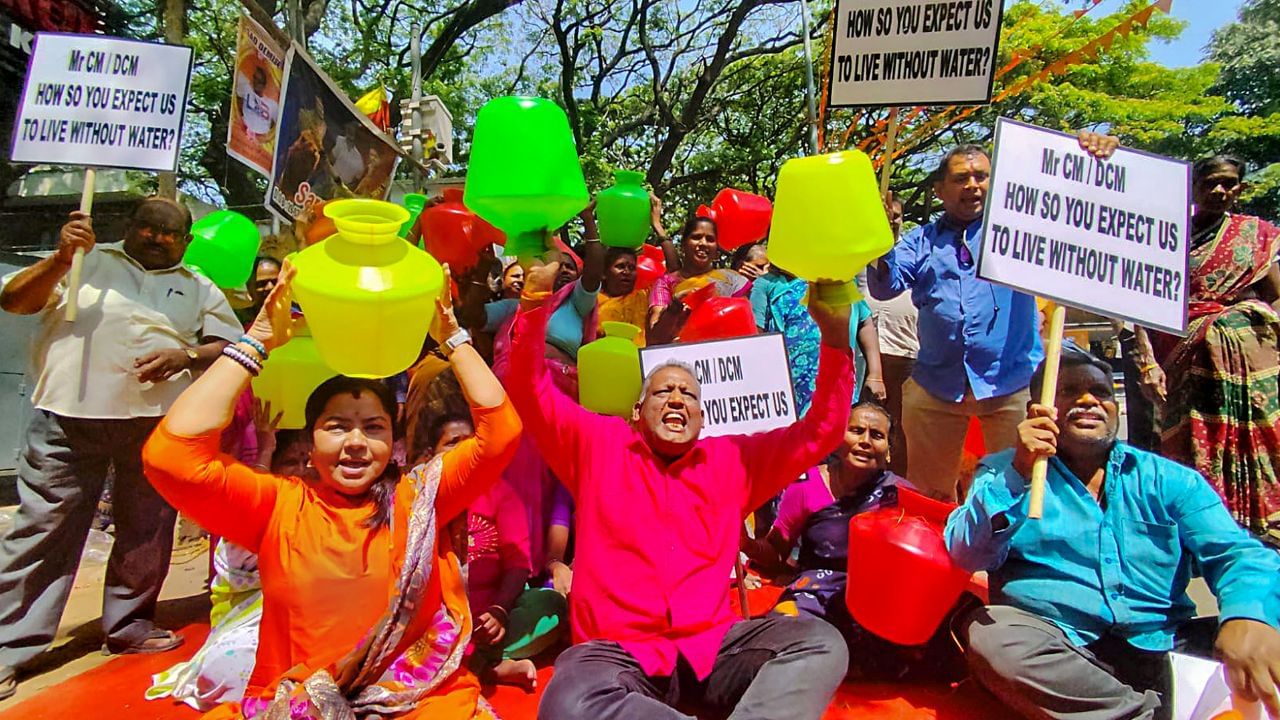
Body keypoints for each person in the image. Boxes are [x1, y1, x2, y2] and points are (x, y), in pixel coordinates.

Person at [141, 263, 523, 718]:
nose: (357, 443)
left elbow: (501, 432)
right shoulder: (278, 504)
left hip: (417, 703)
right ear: (309, 443)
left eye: (373, 428)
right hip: (298, 706)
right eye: (337, 427)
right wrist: (255, 341)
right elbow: (171, 457)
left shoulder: (420, 498)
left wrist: (453, 336)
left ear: (393, 443)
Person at [511, 258, 853, 719]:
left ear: (703, 416)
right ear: (636, 410)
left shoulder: (733, 459)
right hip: (616, 654)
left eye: (689, 394)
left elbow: (821, 432)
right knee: (568, 703)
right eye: (663, 392)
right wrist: (533, 307)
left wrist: (835, 340)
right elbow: (530, 390)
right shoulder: (596, 444)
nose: (676, 399)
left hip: (711, 651)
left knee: (819, 643)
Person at [946, 347, 1280, 719]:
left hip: (1166, 646)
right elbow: (965, 553)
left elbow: (1239, 555)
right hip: (1063, 656)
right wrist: (1019, 473)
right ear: (1037, 411)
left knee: (1266, 626)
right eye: (1069, 390)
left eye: (1101, 392)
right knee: (992, 636)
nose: (1089, 400)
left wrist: (1247, 617)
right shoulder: (1001, 473)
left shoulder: (1169, 479)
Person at [0, 198, 242, 700]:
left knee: (146, 526)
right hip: (67, 418)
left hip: (154, 426)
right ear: (129, 227)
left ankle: (129, 624)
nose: (155, 237)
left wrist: (186, 354)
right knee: (44, 527)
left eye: (168, 232)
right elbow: (15, 302)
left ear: (187, 241)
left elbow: (230, 344)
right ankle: (10, 646)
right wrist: (60, 261)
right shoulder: (87, 260)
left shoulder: (199, 287)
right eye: (146, 227)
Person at [867, 133, 1118, 500]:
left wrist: (1092, 159)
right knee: (927, 494)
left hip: (1011, 382)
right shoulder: (920, 240)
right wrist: (880, 239)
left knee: (1028, 486)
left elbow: (1078, 221)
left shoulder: (1020, 232)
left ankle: (1017, 554)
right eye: (960, 178)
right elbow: (885, 287)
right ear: (939, 190)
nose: (972, 185)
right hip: (936, 386)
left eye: (981, 176)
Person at [745, 403, 966, 680]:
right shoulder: (807, 484)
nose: (864, 441)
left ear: (889, 450)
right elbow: (776, 552)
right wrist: (744, 543)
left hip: (873, 597)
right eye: (856, 430)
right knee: (784, 631)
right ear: (838, 438)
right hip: (817, 590)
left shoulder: (900, 495)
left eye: (876, 435)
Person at [1133, 156, 1280, 542]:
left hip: (1250, 363)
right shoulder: (1167, 237)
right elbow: (1142, 304)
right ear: (1193, 187)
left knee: (1256, 436)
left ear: (1240, 189)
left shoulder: (1255, 237)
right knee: (1192, 438)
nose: (1219, 191)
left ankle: (1256, 521)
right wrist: (1146, 360)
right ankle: (1201, 524)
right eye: (1211, 183)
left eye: (1228, 184)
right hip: (1182, 356)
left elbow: (1275, 296)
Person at [146, 429, 313, 711]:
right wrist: (264, 454)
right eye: (289, 462)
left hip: (300, 625)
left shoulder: (311, 505)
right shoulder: (256, 514)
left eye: (305, 461)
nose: (300, 470)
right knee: (236, 666)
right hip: (246, 630)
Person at [431, 412, 568, 693]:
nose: (462, 450)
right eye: (451, 442)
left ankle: (475, 663)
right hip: (438, 623)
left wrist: (499, 611)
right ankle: (489, 668)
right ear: (430, 453)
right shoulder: (421, 496)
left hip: (491, 620)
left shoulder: (501, 492)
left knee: (550, 607)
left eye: (469, 442)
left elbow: (518, 564)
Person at [751, 268, 884, 413]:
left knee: (838, 428)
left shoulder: (840, 281)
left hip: (838, 380)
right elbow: (755, 338)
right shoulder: (767, 284)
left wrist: (876, 375)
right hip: (788, 390)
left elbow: (864, 322)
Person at [861, 195, 917, 476]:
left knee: (902, 427)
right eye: (885, 215)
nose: (891, 219)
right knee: (864, 426)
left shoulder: (914, 251)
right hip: (864, 357)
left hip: (905, 355)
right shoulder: (859, 253)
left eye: (896, 215)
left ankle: (901, 487)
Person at [647, 214, 750, 344]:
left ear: (716, 251)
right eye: (696, 237)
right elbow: (655, 336)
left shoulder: (732, 280)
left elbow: (746, 327)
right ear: (683, 245)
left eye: (710, 239)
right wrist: (675, 306)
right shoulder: (665, 283)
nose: (703, 243)